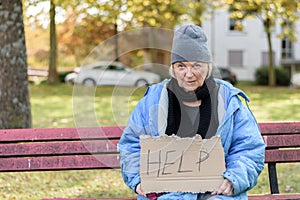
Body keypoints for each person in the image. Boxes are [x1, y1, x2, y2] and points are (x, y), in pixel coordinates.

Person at [118, 24, 265, 200]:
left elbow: (248, 147)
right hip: (166, 193)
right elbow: (131, 145)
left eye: (196, 65)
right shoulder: (153, 99)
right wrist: (138, 180)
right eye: (181, 66)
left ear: (207, 67)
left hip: (216, 193)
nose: (189, 74)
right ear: (173, 69)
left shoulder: (229, 100)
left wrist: (233, 179)